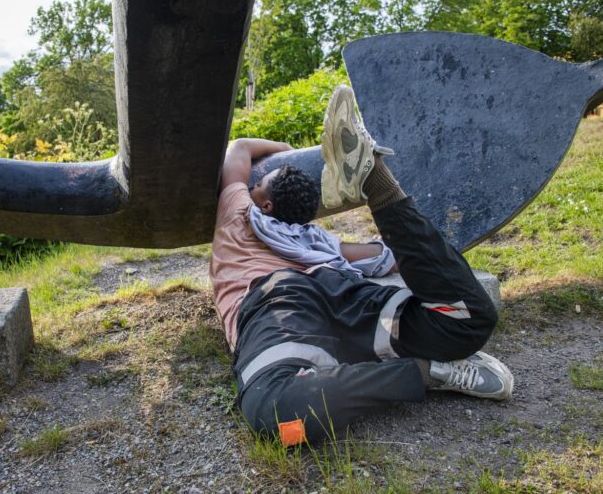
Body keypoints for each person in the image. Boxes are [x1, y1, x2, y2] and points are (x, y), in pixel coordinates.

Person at [209, 85, 513, 445]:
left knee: (277, 414)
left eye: (259, 184)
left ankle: (374, 178)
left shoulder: (241, 216)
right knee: (467, 320)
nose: (253, 185)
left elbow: (239, 149)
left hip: (281, 300)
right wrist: (294, 155)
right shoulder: (319, 242)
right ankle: (426, 370)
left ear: (265, 204)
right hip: (338, 297)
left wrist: (280, 151)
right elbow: (383, 257)